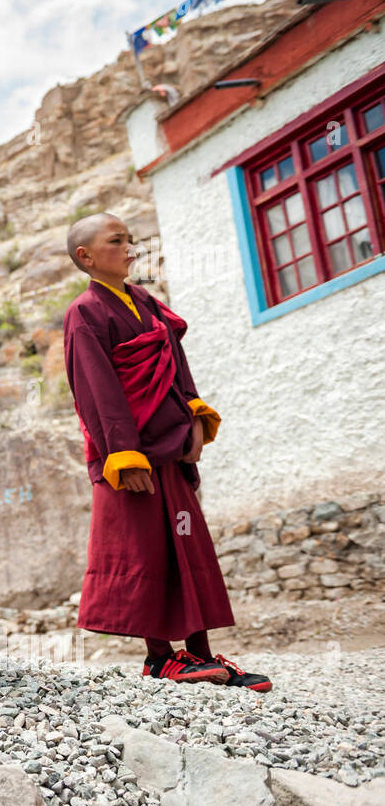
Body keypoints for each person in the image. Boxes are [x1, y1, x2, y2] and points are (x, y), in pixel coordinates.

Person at [63, 212, 271, 691]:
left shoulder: (146, 304)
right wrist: (123, 455)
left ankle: (199, 655)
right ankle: (160, 658)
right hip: (131, 458)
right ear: (87, 257)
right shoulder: (85, 312)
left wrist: (195, 417)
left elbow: (177, 364)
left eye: (131, 240)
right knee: (147, 552)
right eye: (118, 241)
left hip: (171, 449)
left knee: (187, 549)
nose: (131, 249)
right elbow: (96, 392)